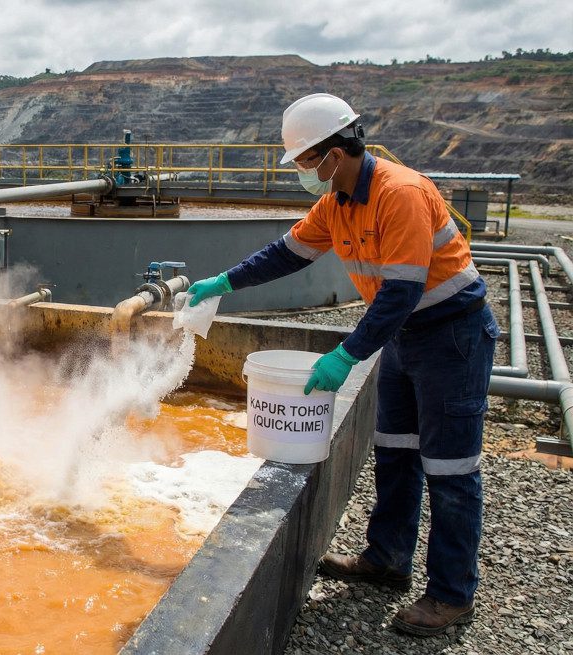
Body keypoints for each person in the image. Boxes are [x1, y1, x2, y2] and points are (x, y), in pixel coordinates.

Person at [187, 93, 497, 637]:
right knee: (396, 452)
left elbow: (399, 292)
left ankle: (451, 595)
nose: (305, 171)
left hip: (451, 336)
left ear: (335, 151)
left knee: (449, 468)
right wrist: (225, 283)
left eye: (307, 161)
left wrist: (346, 354)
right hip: (405, 337)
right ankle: (387, 559)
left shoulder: (398, 193)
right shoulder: (337, 202)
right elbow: (286, 254)